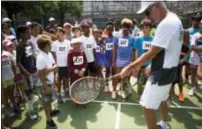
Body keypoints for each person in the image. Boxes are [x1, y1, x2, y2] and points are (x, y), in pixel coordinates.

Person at [120, 1, 183, 129]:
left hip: (161, 72)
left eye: (147, 12)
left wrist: (130, 67)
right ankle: (164, 124)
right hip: (169, 70)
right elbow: (164, 49)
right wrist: (150, 66)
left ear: (157, 6)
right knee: (163, 99)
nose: (147, 17)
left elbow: (151, 53)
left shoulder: (166, 24)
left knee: (148, 107)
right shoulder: (174, 19)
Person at [36, 34, 60, 128]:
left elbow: (53, 66)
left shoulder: (48, 54)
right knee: (46, 103)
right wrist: (45, 87)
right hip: (45, 84)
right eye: (50, 43)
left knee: (49, 101)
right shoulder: (40, 57)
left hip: (50, 81)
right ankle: (48, 120)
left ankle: (50, 113)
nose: (51, 45)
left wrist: (53, 73)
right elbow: (41, 74)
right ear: (46, 45)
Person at [16, 25, 39, 120]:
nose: (30, 33)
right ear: (21, 34)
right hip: (26, 74)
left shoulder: (30, 43)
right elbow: (18, 61)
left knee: (33, 90)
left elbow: (32, 56)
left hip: (33, 71)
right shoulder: (19, 46)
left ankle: (32, 106)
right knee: (29, 93)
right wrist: (25, 72)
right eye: (27, 32)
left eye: (29, 31)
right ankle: (31, 112)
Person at [112, 19, 135, 99]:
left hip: (128, 61)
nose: (125, 31)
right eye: (123, 29)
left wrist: (131, 62)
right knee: (116, 76)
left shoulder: (132, 38)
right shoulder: (117, 37)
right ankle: (114, 91)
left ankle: (125, 90)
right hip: (119, 60)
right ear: (122, 28)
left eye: (127, 29)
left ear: (129, 29)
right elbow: (114, 49)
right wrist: (113, 61)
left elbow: (133, 51)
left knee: (127, 78)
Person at [133, 19, 153, 101]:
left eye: (146, 28)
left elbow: (154, 54)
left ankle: (148, 96)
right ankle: (139, 95)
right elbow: (136, 53)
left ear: (150, 29)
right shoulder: (138, 39)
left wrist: (151, 65)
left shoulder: (154, 40)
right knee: (140, 82)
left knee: (150, 83)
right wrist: (137, 64)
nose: (144, 29)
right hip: (141, 65)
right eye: (143, 28)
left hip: (151, 65)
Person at [51, 27, 71, 103]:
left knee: (66, 79)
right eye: (57, 33)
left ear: (63, 34)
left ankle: (66, 92)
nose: (59, 34)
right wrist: (55, 64)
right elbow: (53, 54)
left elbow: (69, 53)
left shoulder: (68, 42)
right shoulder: (54, 43)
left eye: (60, 33)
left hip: (66, 65)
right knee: (58, 80)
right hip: (58, 66)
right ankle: (59, 94)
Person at [67, 38, 88, 108]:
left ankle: (81, 100)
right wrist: (77, 72)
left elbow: (85, 63)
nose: (77, 45)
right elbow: (69, 65)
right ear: (72, 45)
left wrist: (82, 70)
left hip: (81, 74)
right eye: (75, 44)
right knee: (74, 88)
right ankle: (75, 101)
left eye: (78, 44)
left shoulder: (82, 52)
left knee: (82, 87)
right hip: (73, 75)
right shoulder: (70, 54)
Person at [184, 13, 201, 85]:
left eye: (198, 20)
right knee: (187, 65)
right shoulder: (188, 30)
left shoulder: (200, 31)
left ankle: (196, 79)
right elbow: (185, 42)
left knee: (197, 66)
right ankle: (186, 78)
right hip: (189, 51)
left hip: (198, 52)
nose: (196, 21)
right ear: (192, 20)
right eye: (194, 19)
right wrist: (186, 51)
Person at [2, 39, 16, 118]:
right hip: (2, 80)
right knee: (5, 95)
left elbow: (13, 65)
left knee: (11, 92)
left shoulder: (8, 54)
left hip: (11, 77)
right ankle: (7, 109)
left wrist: (14, 75)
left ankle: (14, 106)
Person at [188, 19, 202, 96]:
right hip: (195, 57)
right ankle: (193, 88)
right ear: (200, 25)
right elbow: (192, 47)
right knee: (193, 73)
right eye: (201, 24)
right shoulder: (195, 35)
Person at [103, 22, 116, 92]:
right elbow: (102, 48)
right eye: (108, 29)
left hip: (113, 58)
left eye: (111, 29)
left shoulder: (115, 38)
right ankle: (106, 86)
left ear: (113, 30)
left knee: (114, 72)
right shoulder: (104, 39)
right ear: (106, 30)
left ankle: (113, 86)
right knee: (107, 71)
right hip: (107, 58)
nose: (109, 31)